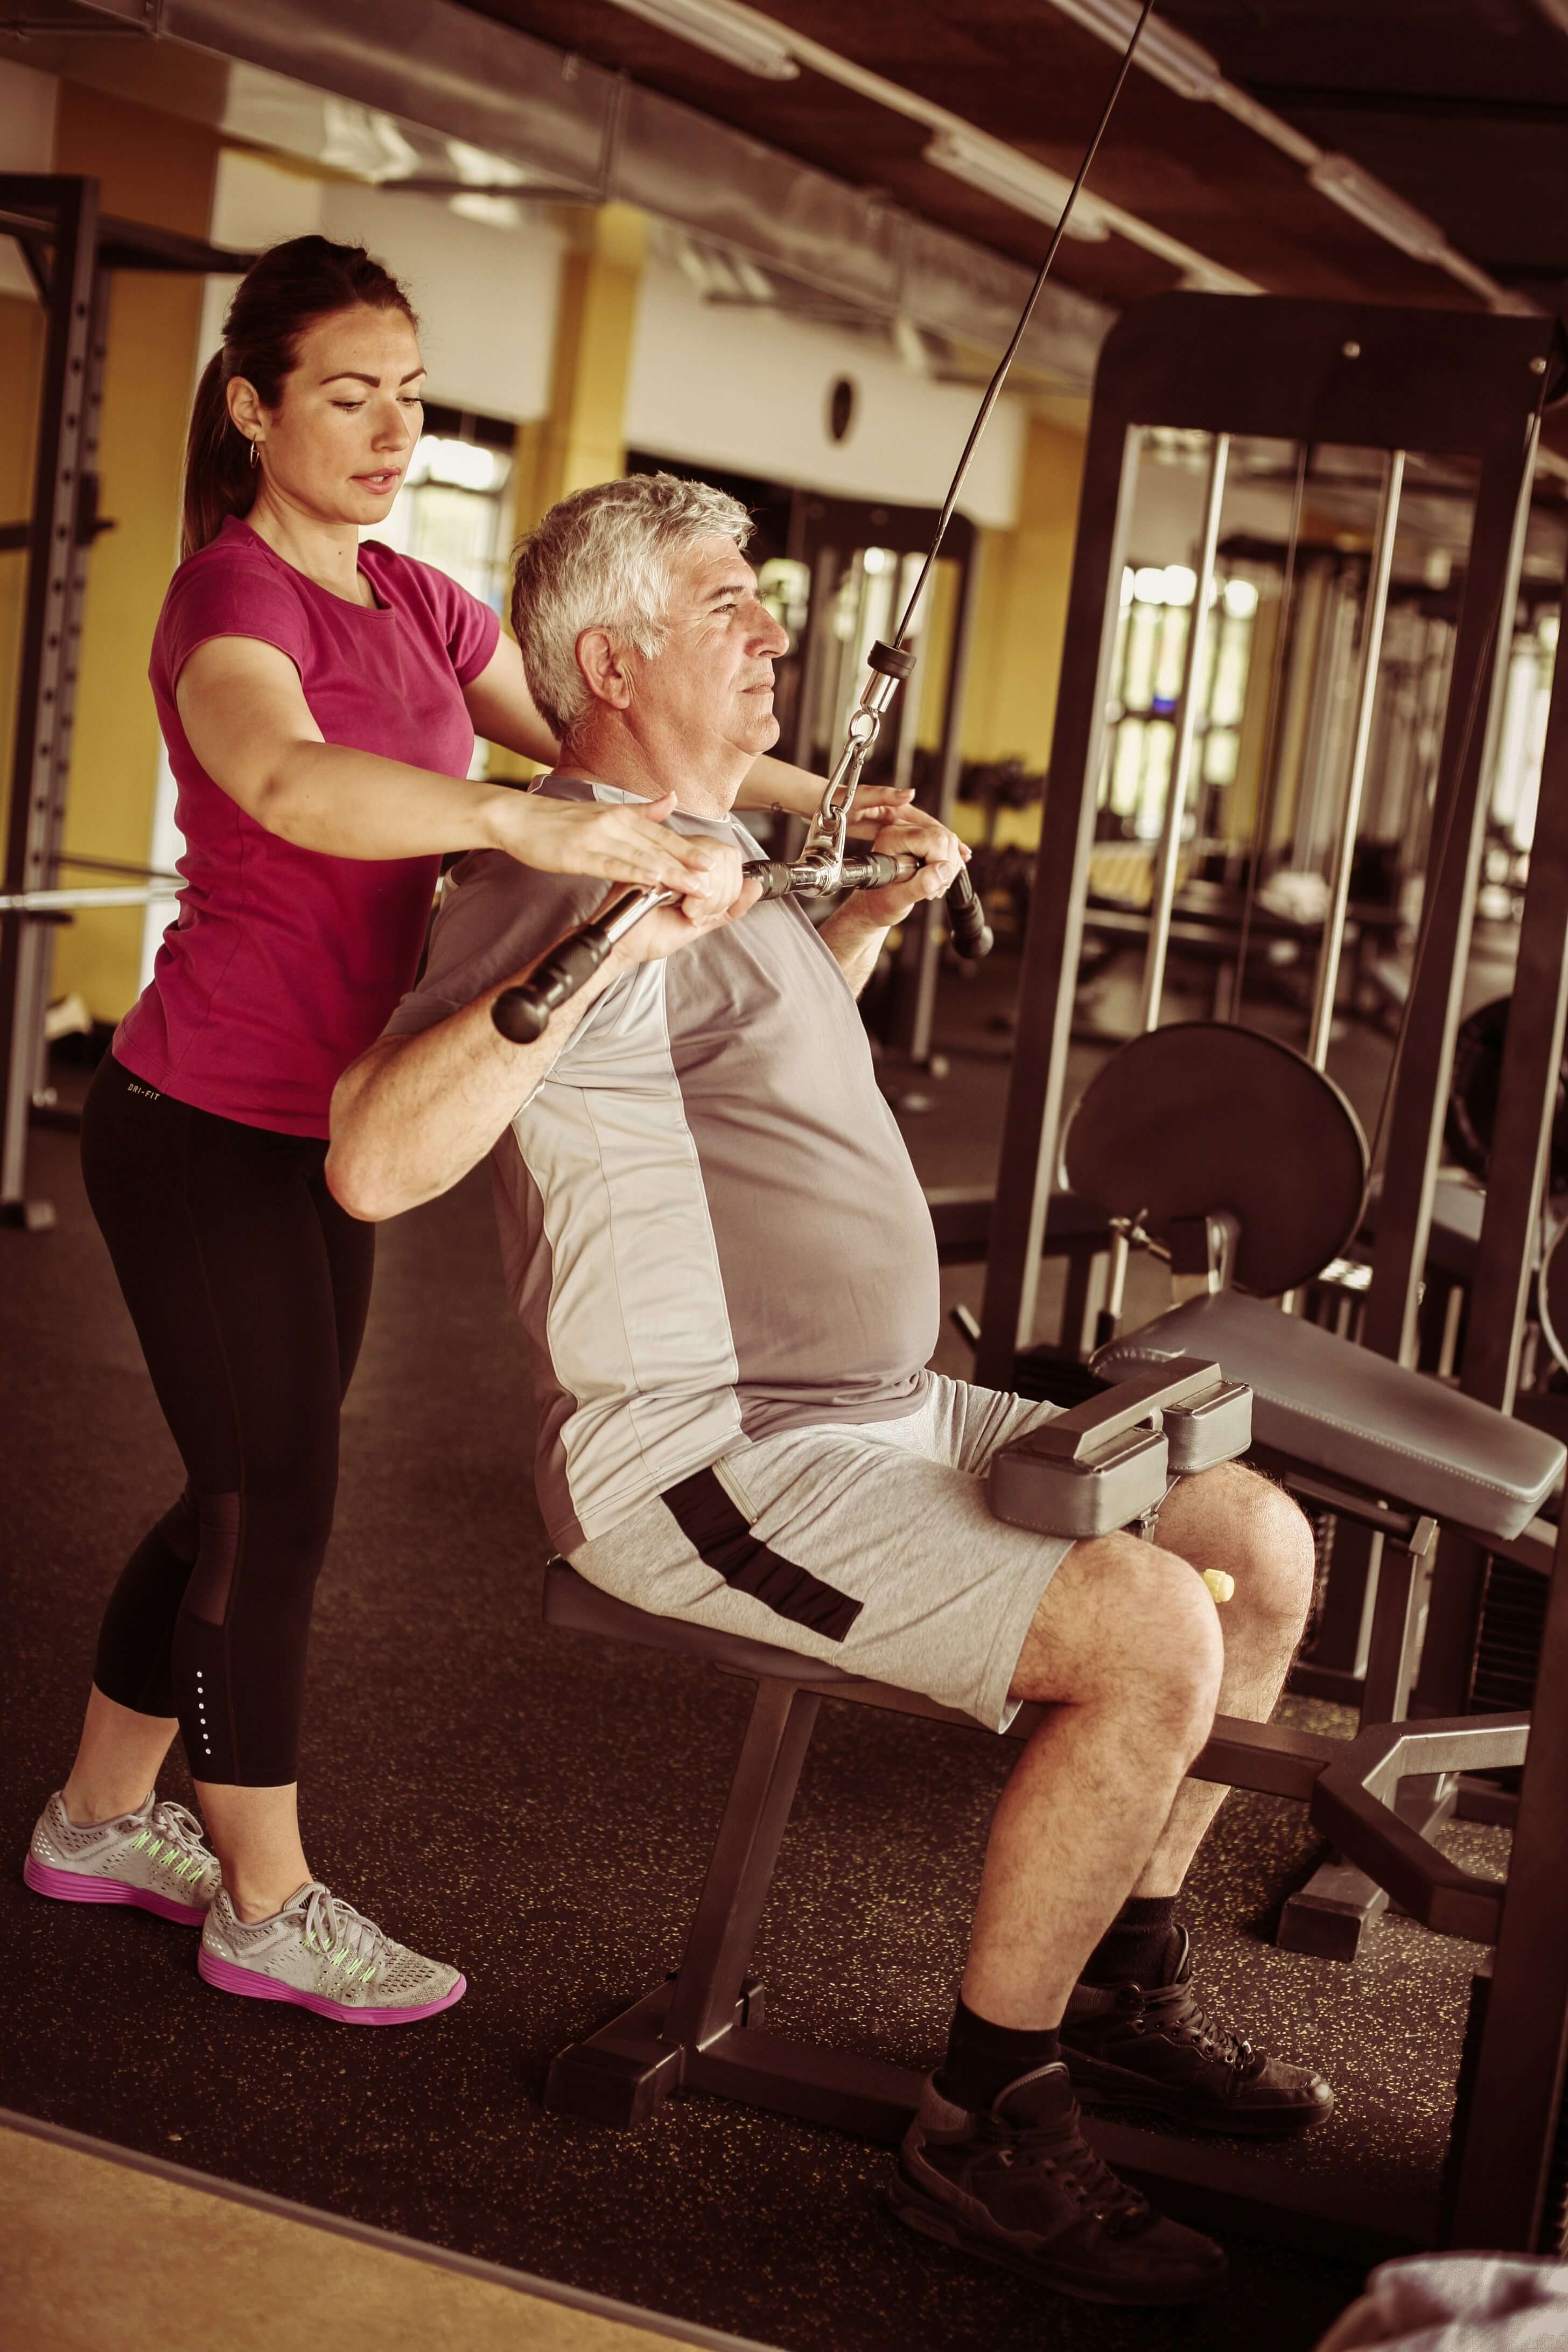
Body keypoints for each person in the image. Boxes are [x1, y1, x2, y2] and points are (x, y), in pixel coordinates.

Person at [327, 470, 1328, 2302]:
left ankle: (1120, 1982)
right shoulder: (552, 863)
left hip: (893, 1404)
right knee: (1144, 1634)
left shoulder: (714, 850)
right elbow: (377, 1163)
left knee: (1255, 1543)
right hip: (716, 1463)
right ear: (613, 657)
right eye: (730, 604)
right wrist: (604, 925)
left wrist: (848, 923)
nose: (776, 635)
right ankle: (987, 2120)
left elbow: (736, 1102)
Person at [25, 240, 876, 2028]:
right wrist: (535, 830)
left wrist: (830, 801)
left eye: (412, 396)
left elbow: (600, 733)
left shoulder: (421, 602)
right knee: (279, 1500)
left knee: (231, 1487)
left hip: (328, 1129)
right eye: (348, 393)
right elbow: (283, 779)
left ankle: (101, 1816)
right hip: (196, 1120)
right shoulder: (232, 599)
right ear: (254, 408)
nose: (392, 429)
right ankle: (266, 1901)